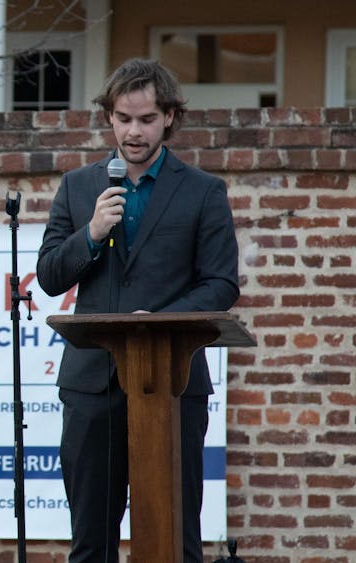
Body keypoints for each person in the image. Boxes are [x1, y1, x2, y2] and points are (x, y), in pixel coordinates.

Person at [36, 58, 240, 563]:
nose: (133, 131)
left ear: (169, 116)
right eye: (123, 118)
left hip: (171, 381)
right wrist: (91, 234)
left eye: (146, 119)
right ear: (109, 117)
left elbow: (220, 284)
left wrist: (159, 323)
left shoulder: (203, 191)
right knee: (90, 540)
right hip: (91, 384)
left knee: (175, 534)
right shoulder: (79, 187)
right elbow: (49, 275)